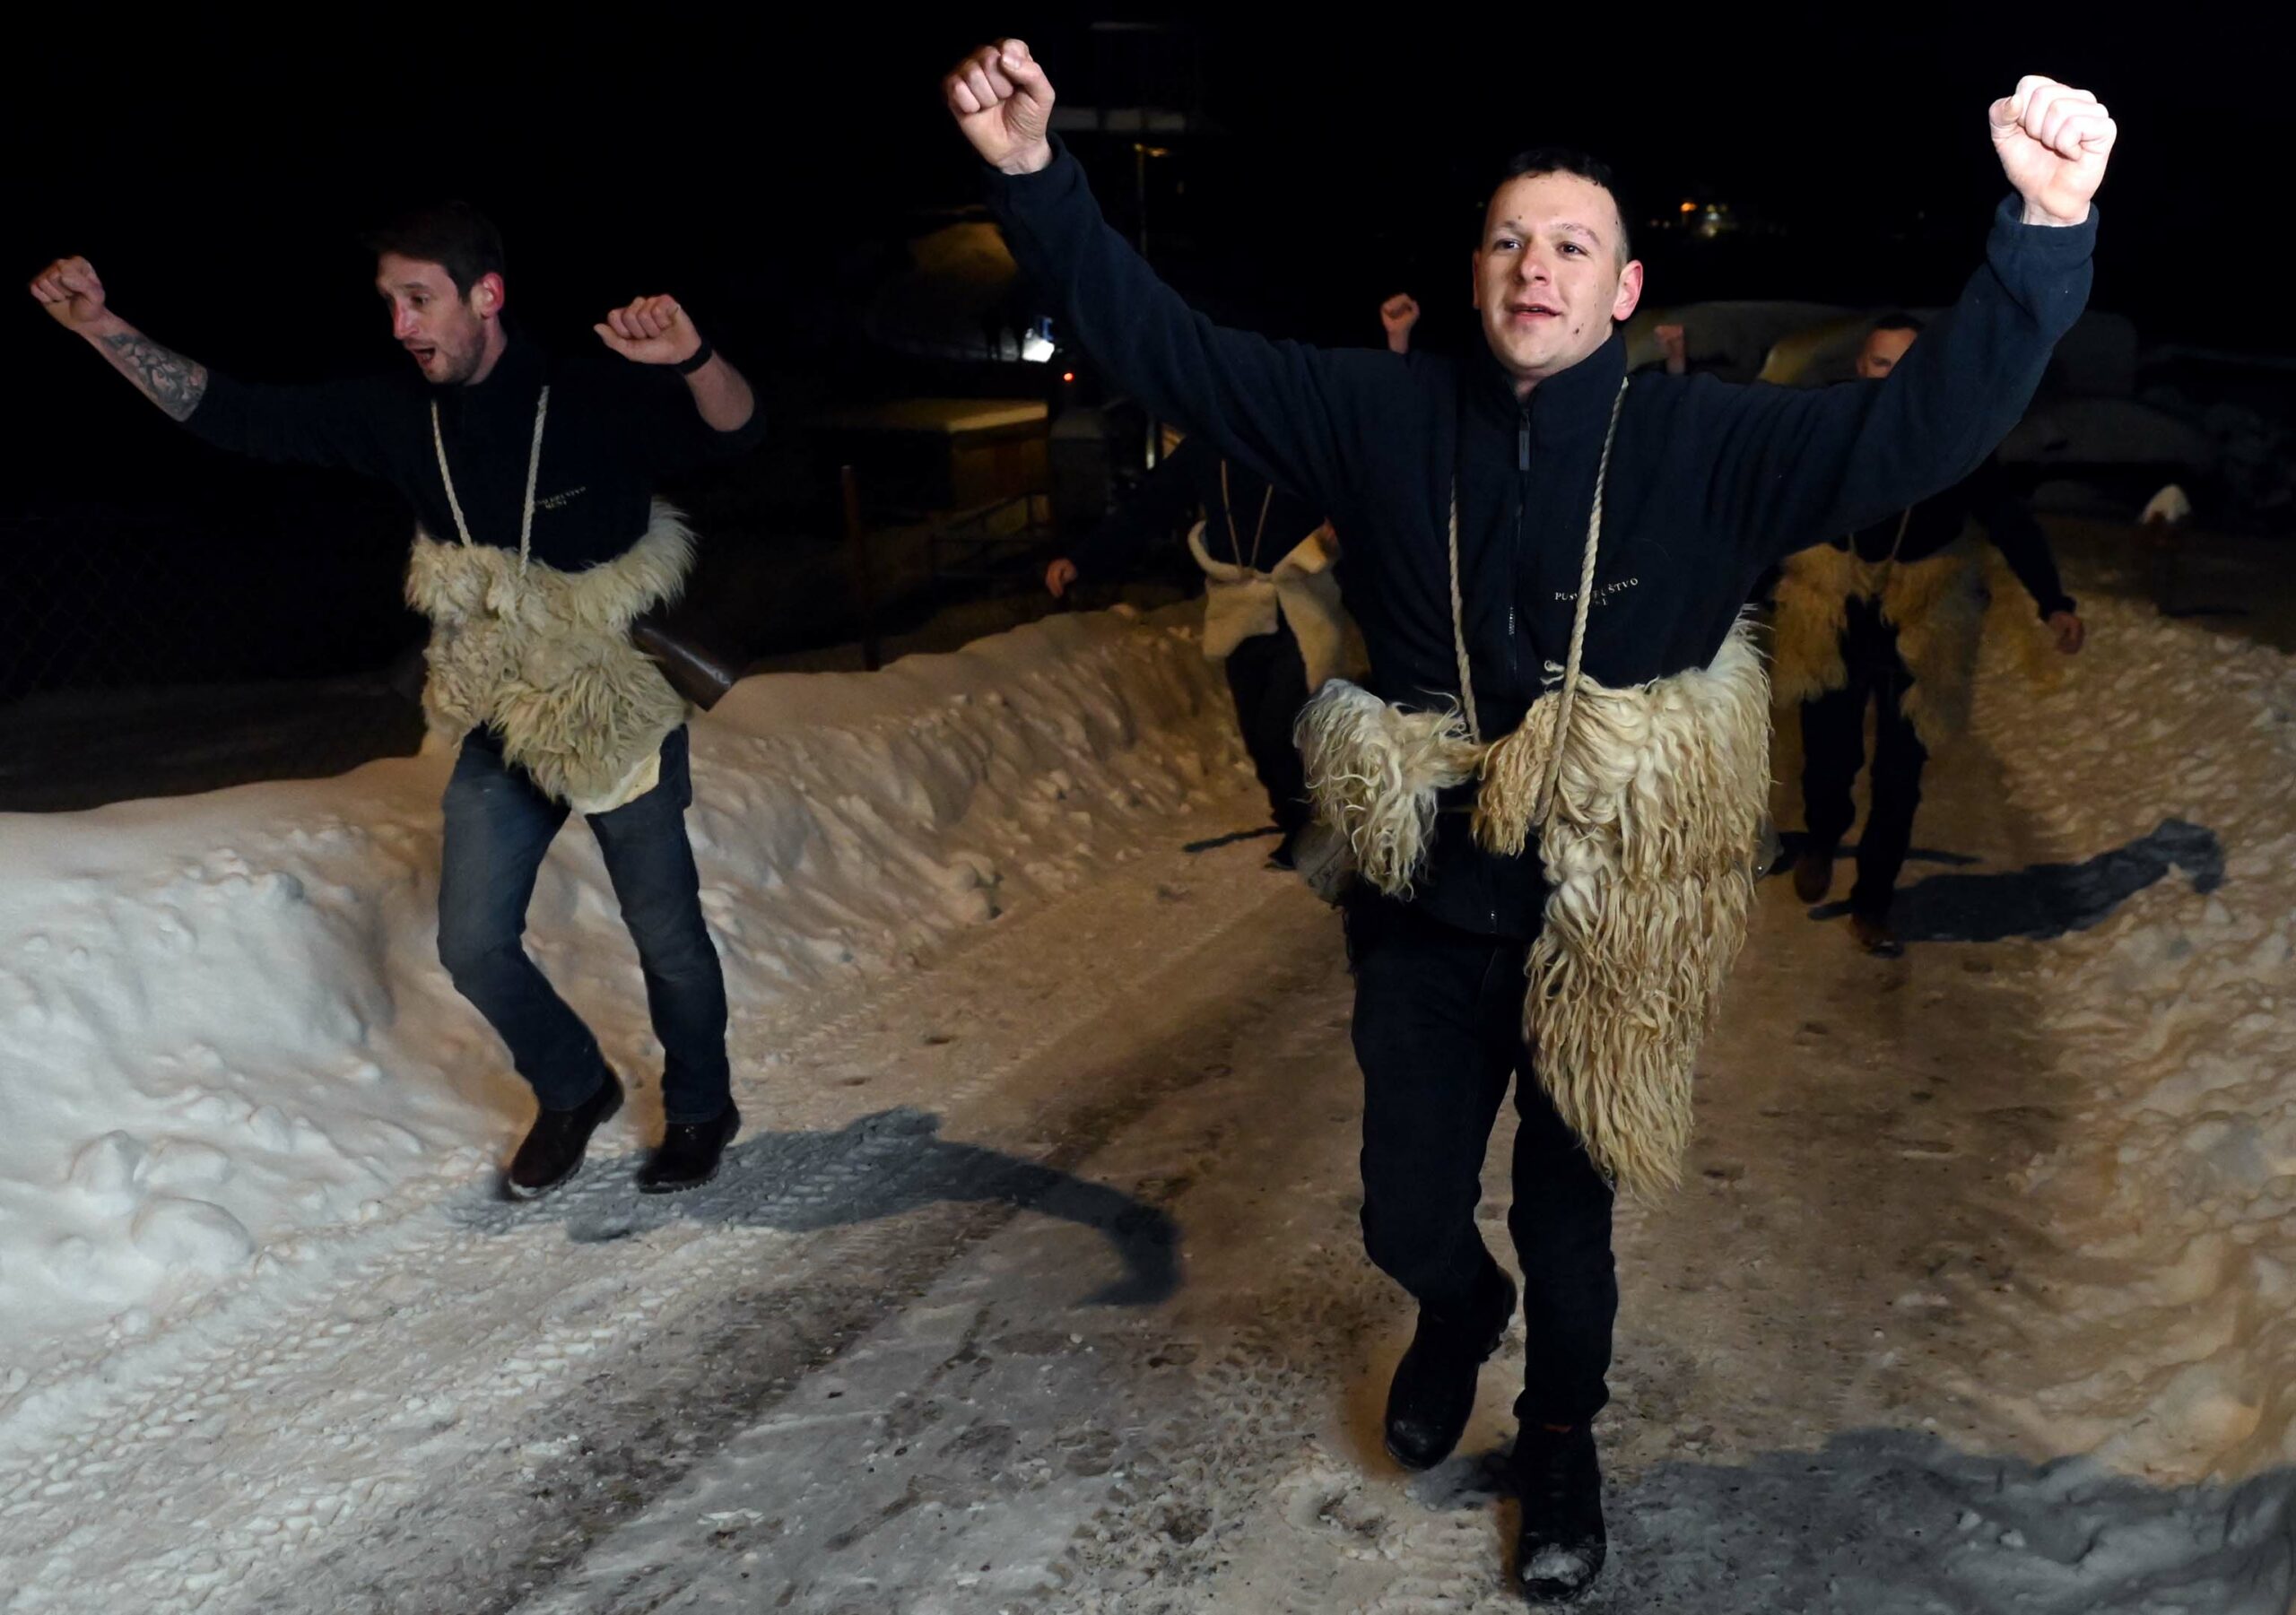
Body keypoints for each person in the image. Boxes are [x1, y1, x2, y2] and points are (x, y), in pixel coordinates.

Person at [944, 39, 2112, 1601]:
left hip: (1609, 908)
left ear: (1625, 292)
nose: (1534, 264)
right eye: (1509, 239)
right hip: (1429, 894)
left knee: (1574, 1219)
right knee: (1405, 1202)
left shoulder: (1705, 445)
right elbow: (1174, 354)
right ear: (1476, 271)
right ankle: (1452, 1307)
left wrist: (2041, 238)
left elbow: (1916, 436)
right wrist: (1037, 182)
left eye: (1572, 243)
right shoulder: (1378, 411)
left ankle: (1562, 1434)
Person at [30, 203, 764, 1201]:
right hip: (503, 707)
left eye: (419, 300)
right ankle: (574, 1085)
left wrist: (691, 356)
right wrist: (101, 329)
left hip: (614, 705)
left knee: (667, 937)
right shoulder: (396, 415)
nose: (401, 325)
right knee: (471, 943)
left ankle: (699, 1108)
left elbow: (734, 428)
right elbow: (238, 415)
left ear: (485, 297)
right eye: (389, 303)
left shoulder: (582, 394)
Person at [1774, 313, 2086, 956]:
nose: (1894, 377)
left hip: (1923, 619)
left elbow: (2007, 517)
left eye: (1909, 364)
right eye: (1882, 363)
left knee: (1900, 773)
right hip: (1835, 612)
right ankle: (1824, 832)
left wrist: (2052, 599)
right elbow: (1778, 506)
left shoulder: (1957, 438)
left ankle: (1874, 901)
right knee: (1829, 759)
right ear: (1861, 367)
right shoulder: (1830, 428)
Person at [1045, 434, 1342, 866]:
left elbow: (1360, 482)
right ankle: (1297, 812)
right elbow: (1149, 506)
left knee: (1284, 723)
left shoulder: (1297, 432)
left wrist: (1344, 521)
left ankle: (1307, 830)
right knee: (1259, 732)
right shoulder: (1210, 444)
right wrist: (1083, 560)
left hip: (1302, 603)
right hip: (1238, 608)